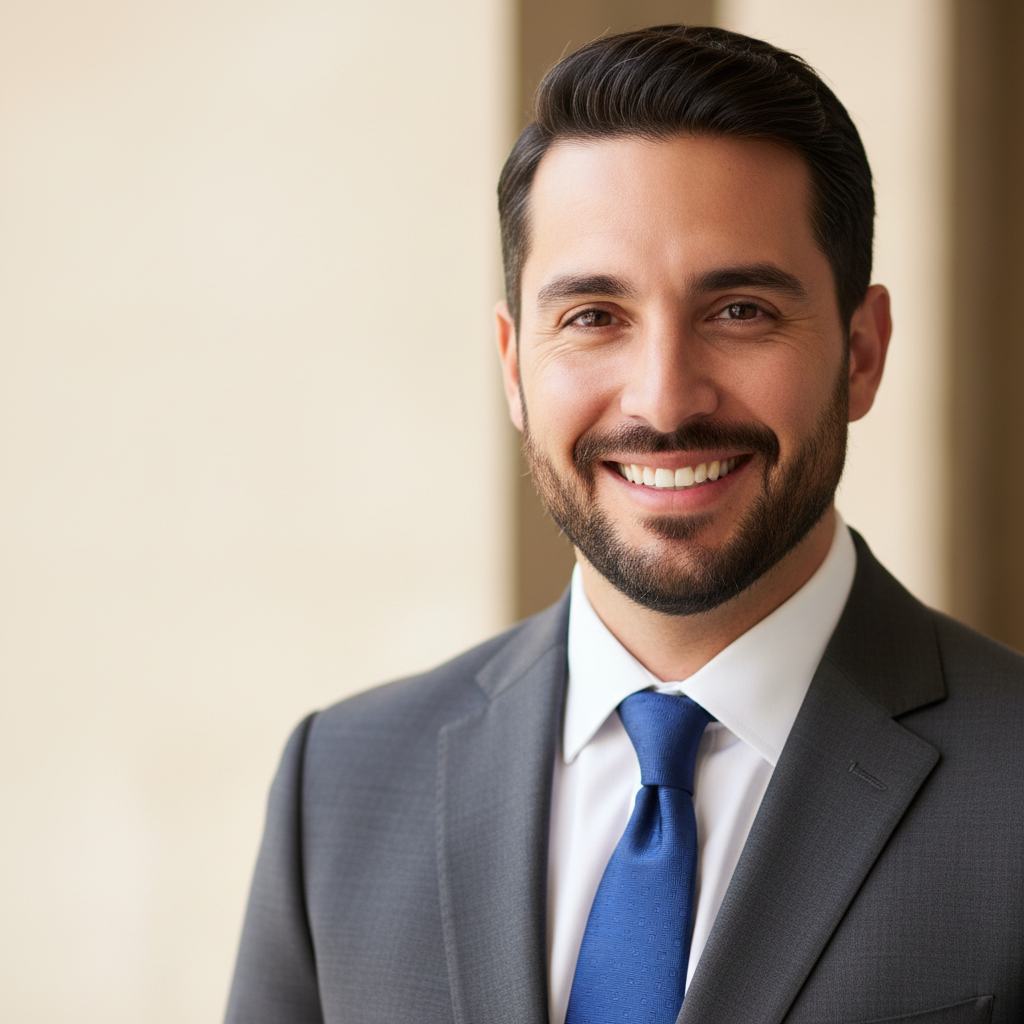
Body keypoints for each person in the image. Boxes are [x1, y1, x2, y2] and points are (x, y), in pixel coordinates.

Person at [225, 26, 1021, 1024]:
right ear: (514, 365)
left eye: (738, 311)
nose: (663, 400)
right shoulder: (338, 786)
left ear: (861, 352)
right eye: (594, 316)